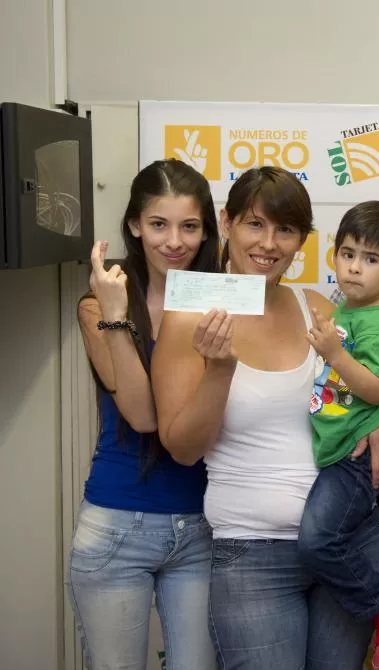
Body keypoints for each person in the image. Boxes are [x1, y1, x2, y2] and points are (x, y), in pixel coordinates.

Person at [152, 167, 379, 670]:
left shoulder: (315, 306)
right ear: (226, 223)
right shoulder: (188, 317)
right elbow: (182, 447)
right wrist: (219, 370)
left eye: (285, 230)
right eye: (254, 225)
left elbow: (366, 379)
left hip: (347, 543)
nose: (269, 243)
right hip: (253, 555)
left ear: (301, 241)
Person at [70, 159, 220, 670]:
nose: (174, 241)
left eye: (189, 226)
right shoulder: (100, 305)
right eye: (159, 224)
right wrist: (115, 314)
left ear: (207, 230)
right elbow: (142, 415)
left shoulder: (223, 300)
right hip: (118, 522)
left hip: (206, 525)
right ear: (135, 225)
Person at [297, 201, 379, 670]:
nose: (353, 267)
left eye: (370, 260)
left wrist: (335, 353)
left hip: (353, 458)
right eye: (346, 253)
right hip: (333, 450)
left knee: (318, 541)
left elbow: (375, 388)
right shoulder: (348, 310)